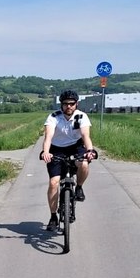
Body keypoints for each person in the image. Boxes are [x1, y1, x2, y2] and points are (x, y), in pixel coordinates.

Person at [41, 89, 96, 232]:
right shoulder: (54, 117)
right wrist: (46, 152)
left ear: (76, 104)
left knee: (83, 163)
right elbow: (48, 137)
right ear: (61, 105)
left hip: (76, 147)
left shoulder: (82, 116)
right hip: (56, 149)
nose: (69, 107)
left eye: (71, 104)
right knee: (54, 183)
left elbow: (85, 136)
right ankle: (53, 217)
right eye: (65, 104)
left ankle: (79, 187)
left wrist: (90, 151)